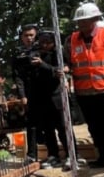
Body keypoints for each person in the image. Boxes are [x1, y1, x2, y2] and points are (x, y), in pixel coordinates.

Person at [65, 3, 104, 170]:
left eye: (85, 21)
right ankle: (103, 157)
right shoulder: (72, 40)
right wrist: (65, 70)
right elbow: (69, 63)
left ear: (95, 19)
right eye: (79, 21)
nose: (81, 25)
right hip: (84, 93)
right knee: (95, 127)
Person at [32, 30, 81, 169]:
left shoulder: (58, 55)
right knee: (48, 129)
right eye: (42, 42)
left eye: (47, 42)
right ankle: (53, 155)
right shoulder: (36, 53)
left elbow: (59, 71)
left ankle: (73, 155)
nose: (44, 45)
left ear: (54, 43)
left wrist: (42, 64)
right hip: (42, 98)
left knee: (63, 128)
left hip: (57, 96)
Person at [11, 24, 40, 163]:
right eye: (26, 35)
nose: (29, 38)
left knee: (52, 123)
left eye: (31, 35)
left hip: (46, 91)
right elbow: (18, 77)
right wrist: (22, 95)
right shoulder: (18, 55)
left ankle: (55, 154)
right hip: (29, 93)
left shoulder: (43, 49)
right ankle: (32, 154)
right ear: (21, 37)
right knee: (31, 124)